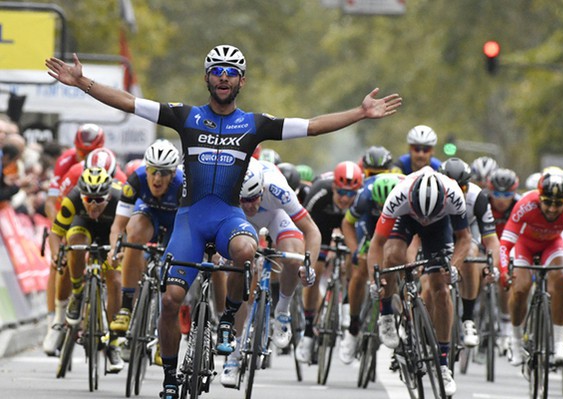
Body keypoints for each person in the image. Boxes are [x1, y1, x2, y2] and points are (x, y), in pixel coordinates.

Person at [46, 45, 401, 399]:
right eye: (217, 70)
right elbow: (129, 103)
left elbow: (311, 126)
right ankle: (170, 377)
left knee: (247, 251)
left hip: (229, 218)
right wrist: (82, 83)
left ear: (241, 81)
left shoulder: (254, 124)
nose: (224, 76)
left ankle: (228, 319)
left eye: (231, 72)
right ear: (206, 77)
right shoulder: (185, 117)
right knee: (170, 301)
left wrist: (360, 112)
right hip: (189, 220)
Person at [368, 168, 471, 396]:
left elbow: (465, 239)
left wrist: (454, 266)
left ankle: (443, 365)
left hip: (440, 227)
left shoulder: (454, 195)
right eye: (421, 213)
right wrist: (375, 280)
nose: (424, 219)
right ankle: (386, 314)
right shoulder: (398, 196)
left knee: (441, 287)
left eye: (428, 214)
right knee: (393, 255)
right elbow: (377, 244)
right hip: (406, 220)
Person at [220, 158, 320, 387]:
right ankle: (233, 358)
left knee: (293, 259)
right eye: (244, 200)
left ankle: (282, 311)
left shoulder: (277, 188)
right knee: (238, 272)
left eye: (254, 198)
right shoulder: (226, 189)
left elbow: (312, 231)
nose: (250, 205)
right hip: (240, 221)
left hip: (276, 215)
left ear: (262, 189)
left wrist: (309, 265)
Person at [499, 171, 563, 367]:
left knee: (562, 276)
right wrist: (503, 270)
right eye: (547, 202)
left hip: (553, 244)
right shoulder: (526, 204)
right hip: (524, 245)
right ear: (539, 197)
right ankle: (516, 342)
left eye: (558, 203)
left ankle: (559, 343)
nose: (552, 209)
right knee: (520, 288)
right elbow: (505, 245)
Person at [41, 147, 126, 355]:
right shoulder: (73, 194)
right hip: (82, 226)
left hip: (110, 231)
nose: (94, 205)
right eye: (89, 200)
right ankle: (72, 302)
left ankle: (113, 340)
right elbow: (55, 231)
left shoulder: (121, 194)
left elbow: (127, 233)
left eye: (99, 200)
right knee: (73, 244)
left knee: (114, 278)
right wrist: (56, 254)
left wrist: (117, 254)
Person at [107, 140, 183, 357]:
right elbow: (118, 226)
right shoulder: (136, 180)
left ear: (173, 173)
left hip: (176, 220)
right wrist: (114, 250)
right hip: (149, 214)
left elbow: (191, 225)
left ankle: (166, 330)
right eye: (153, 171)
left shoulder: (183, 186)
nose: (157, 178)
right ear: (146, 168)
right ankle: (127, 307)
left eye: (164, 173)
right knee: (134, 234)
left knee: (174, 261)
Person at [43, 123, 105, 354]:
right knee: (59, 262)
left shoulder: (106, 164)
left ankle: (97, 316)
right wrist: (57, 228)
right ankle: (55, 320)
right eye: (80, 152)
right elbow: (51, 202)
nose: (83, 157)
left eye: (88, 154)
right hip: (69, 210)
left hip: (97, 211)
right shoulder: (66, 163)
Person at [297, 160, 364, 363]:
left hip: (350, 226)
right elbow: (305, 227)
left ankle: (346, 305)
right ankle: (308, 331)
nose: (345, 198)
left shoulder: (361, 200)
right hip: (320, 226)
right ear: (334, 187)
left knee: (354, 264)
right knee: (313, 270)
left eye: (351, 194)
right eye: (342, 192)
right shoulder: (319, 193)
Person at [338, 171, 403, 364]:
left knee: (400, 260)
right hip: (369, 224)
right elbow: (347, 223)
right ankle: (353, 327)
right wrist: (355, 251)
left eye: (386, 205)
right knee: (360, 270)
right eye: (380, 205)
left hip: (399, 220)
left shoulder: (405, 194)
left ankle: (406, 318)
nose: (383, 208)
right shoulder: (365, 197)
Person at [438, 157, 500, 349]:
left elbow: (491, 240)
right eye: (450, 187)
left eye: (461, 188)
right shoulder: (432, 193)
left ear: (468, 186)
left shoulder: (478, 197)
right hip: (439, 232)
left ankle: (468, 318)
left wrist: (493, 267)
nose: (456, 192)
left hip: (467, 234)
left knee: (472, 254)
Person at [484, 168, 522, 351]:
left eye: (506, 194)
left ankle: (506, 322)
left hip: (509, 247)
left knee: (504, 279)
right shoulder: (482, 202)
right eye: (496, 194)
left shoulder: (519, 204)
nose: (501, 199)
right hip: (486, 245)